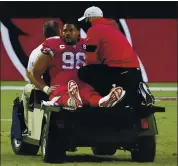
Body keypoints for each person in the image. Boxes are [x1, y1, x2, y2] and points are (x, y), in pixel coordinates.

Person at [27, 21, 125, 110]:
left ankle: (103, 101)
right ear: (61, 32)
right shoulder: (53, 44)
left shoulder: (86, 44)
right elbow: (35, 72)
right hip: (61, 85)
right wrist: (46, 88)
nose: (67, 33)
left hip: (82, 85)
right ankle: (73, 101)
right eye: (65, 31)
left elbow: (101, 64)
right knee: (63, 96)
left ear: (78, 32)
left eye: (71, 30)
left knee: (91, 96)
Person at [77, 6, 154, 107]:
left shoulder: (94, 30)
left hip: (117, 70)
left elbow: (90, 59)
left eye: (87, 19)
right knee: (129, 101)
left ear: (90, 18)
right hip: (134, 71)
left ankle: (108, 94)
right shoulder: (113, 28)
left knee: (84, 72)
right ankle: (138, 92)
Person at [22, 20, 60, 130]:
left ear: (44, 32)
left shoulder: (37, 51)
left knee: (28, 88)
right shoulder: (72, 48)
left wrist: (46, 88)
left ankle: (29, 127)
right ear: (60, 31)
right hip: (70, 87)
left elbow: (31, 77)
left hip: (47, 91)